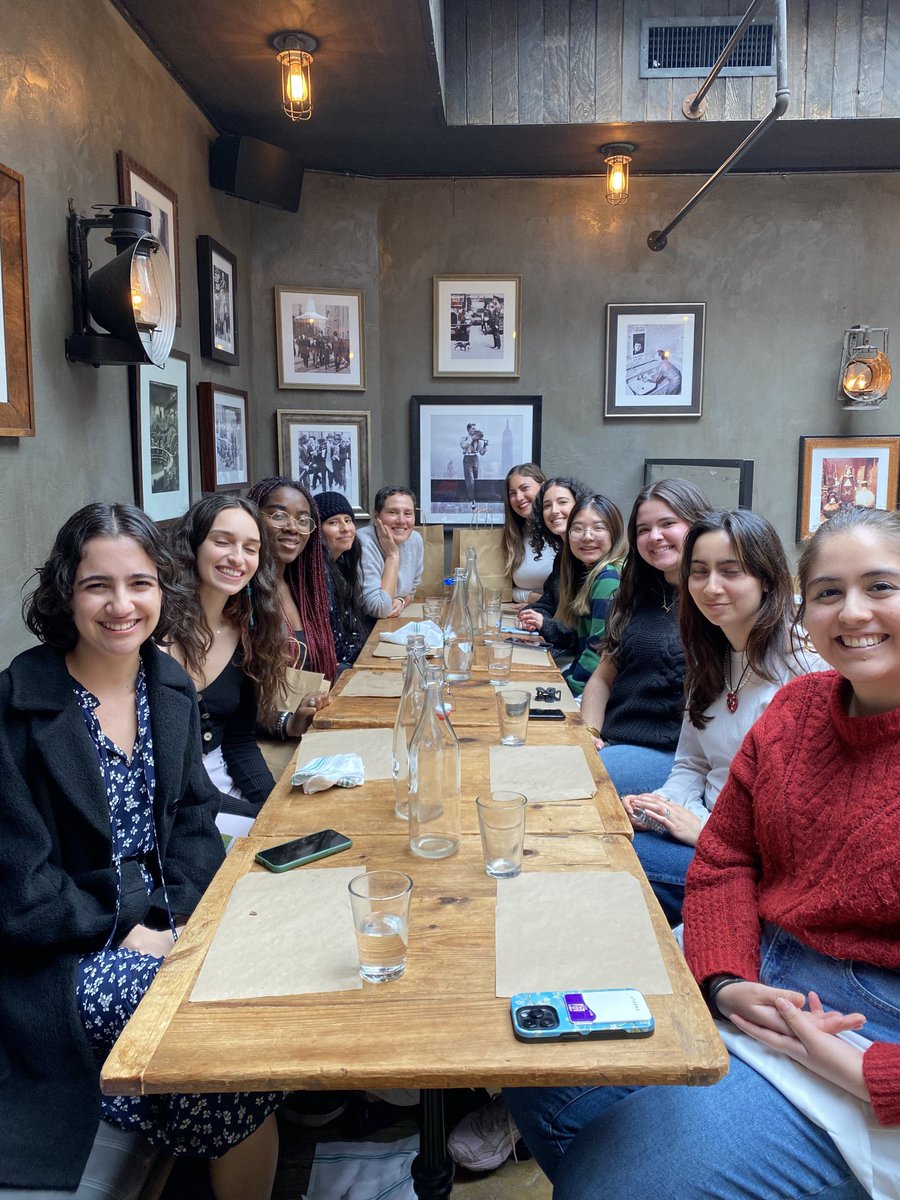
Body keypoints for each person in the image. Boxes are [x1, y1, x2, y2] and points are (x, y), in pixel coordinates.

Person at [505, 505, 900, 1200]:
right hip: (756, 979)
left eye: (881, 587)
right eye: (832, 592)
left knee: (616, 1180)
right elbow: (725, 859)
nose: (854, 612)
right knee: (532, 1049)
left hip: (865, 1037)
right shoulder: (799, 708)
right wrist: (723, 977)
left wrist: (871, 1076)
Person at [0, 503, 279, 1195]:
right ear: (66, 591)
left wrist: (174, 919)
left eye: (140, 583)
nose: (121, 605)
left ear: (162, 588)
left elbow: (193, 824)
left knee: (273, 974)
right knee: (218, 1044)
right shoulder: (19, 706)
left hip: (163, 926)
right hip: (57, 962)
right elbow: (22, 894)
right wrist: (129, 928)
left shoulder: (168, 687)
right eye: (99, 585)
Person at [619, 509, 824, 924]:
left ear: (766, 578)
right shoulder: (709, 657)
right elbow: (692, 763)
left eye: (731, 572)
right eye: (699, 572)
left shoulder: (806, 670)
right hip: (709, 824)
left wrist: (705, 830)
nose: (711, 587)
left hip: (753, 858)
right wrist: (661, 806)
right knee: (609, 831)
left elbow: (800, 824)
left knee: (616, 864)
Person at [580, 478, 713, 797]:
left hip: (675, 760)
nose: (655, 537)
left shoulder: (713, 602)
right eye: (643, 529)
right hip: (613, 745)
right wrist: (588, 734)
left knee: (565, 779)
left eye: (668, 524)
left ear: (697, 524)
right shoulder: (633, 595)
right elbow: (602, 679)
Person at [167, 495, 289, 819]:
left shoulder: (246, 635)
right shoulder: (153, 636)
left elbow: (240, 744)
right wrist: (257, 818)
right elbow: (173, 780)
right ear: (193, 545)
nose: (237, 558)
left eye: (250, 548)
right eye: (223, 542)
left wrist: (274, 810)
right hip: (179, 809)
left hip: (228, 798)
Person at [247, 476, 337, 729]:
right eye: (278, 516)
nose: (292, 527)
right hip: (264, 747)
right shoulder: (242, 597)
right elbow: (228, 704)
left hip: (310, 733)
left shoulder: (301, 589)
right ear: (252, 518)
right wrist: (287, 723)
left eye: (303, 520)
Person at [556, 494, 626, 697]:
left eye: (598, 528)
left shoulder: (608, 577)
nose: (587, 536)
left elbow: (598, 649)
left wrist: (567, 688)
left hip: (603, 694)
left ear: (615, 533)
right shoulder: (591, 573)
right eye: (578, 528)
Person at [517, 476, 593, 656]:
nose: (554, 511)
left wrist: (545, 624)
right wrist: (531, 615)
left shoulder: (591, 558)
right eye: (547, 506)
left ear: (580, 506)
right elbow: (548, 601)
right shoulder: (564, 556)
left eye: (562, 502)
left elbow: (587, 633)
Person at [314, 490, 372, 668]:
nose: (345, 528)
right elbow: (333, 644)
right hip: (337, 670)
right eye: (333, 522)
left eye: (348, 520)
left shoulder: (343, 563)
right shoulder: (319, 573)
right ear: (317, 529)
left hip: (353, 660)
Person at [356, 486, 424, 618]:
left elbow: (412, 590)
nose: (401, 520)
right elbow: (380, 609)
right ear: (377, 517)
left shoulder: (415, 540)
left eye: (408, 513)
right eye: (393, 512)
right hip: (365, 626)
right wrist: (392, 555)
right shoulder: (363, 542)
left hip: (393, 621)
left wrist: (401, 601)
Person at [501, 462, 549, 605]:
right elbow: (512, 591)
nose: (519, 497)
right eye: (513, 493)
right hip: (530, 617)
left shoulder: (559, 532)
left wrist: (543, 602)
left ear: (543, 487)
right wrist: (531, 598)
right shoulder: (516, 535)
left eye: (524, 488)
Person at [460, 422, 489, 508]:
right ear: (468, 430)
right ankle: (471, 500)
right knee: (470, 480)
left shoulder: (478, 441)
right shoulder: (464, 438)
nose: (474, 430)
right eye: (472, 429)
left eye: (475, 429)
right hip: (467, 458)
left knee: (476, 479)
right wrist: (472, 438)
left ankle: (476, 498)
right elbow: (463, 445)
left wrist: (485, 446)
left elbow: (482, 453)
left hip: (475, 458)